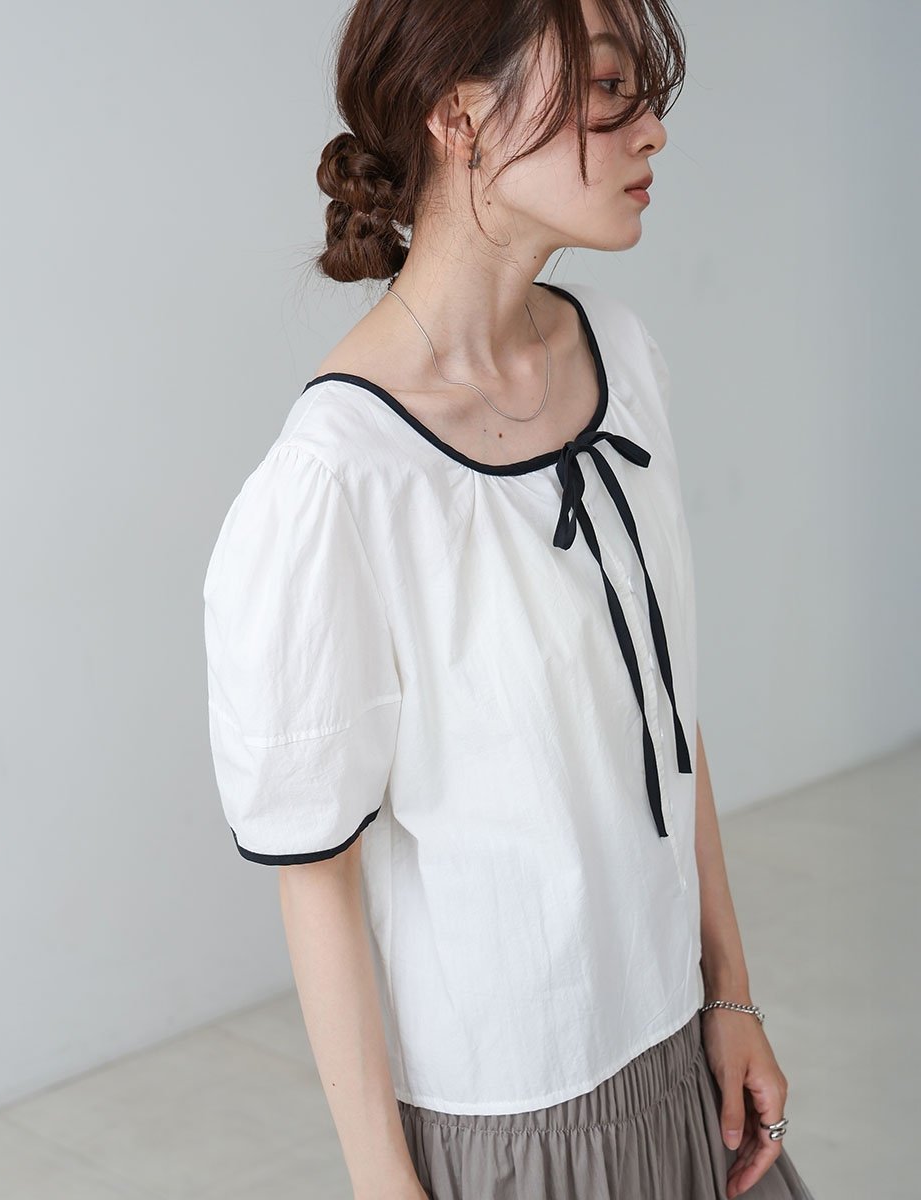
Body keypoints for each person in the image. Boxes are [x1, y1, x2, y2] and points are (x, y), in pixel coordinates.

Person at [202, 1, 819, 1197]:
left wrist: (729, 994)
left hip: (679, 1053)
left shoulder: (621, 359)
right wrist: (385, 1185)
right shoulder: (339, 482)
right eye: (605, 90)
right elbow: (315, 869)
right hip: (515, 1123)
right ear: (461, 118)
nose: (651, 131)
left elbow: (664, 707)